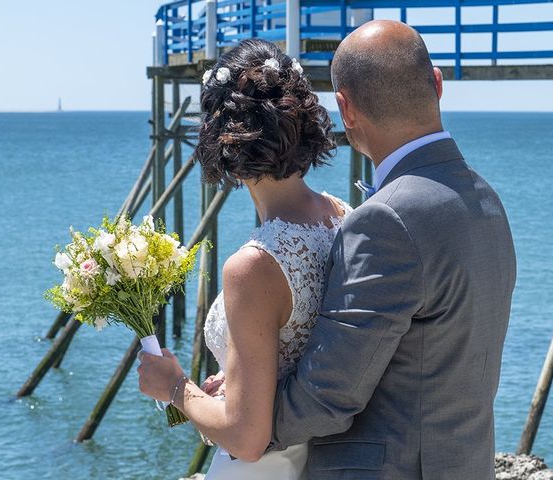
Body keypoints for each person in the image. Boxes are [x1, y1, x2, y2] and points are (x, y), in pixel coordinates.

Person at [265, 20, 517, 479]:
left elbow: (327, 399)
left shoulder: (386, 219)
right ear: (437, 84)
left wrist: (235, 414)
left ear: (346, 108)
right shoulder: (487, 201)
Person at [137, 38, 351, 479]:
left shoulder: (253, 266)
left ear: (223, 142)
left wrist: (175, 387)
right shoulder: (344, 215)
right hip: (325, 458)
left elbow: (246, 437)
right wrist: (234, 385)